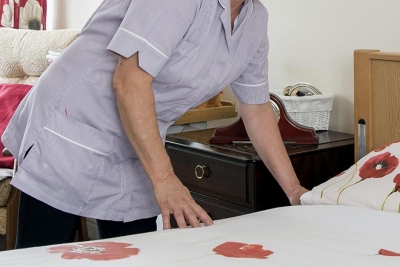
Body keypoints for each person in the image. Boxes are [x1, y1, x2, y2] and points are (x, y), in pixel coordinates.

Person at [2, 0, 308, 249]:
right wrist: (165, 179)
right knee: (44, 253)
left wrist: (294, 191)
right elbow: (129, 81)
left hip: (136, 137)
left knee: (138, 251)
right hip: (72, 124)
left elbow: (256, 108)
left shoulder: (254, 20)